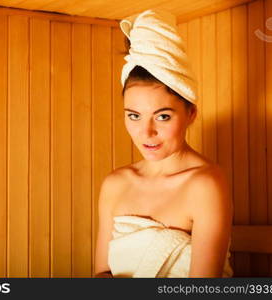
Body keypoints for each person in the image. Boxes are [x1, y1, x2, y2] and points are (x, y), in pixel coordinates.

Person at [94, 9, 234, 278]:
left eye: (163, 116)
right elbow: (101, 274)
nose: (146, 132)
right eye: (134, 116)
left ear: (190, 113)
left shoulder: (205, 184)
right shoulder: (115, 183)